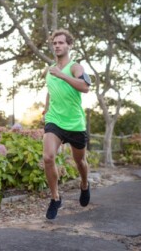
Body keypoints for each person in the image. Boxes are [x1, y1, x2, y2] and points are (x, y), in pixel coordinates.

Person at [42, 29, 91, 220]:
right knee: (48, 157)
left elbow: (85, 87)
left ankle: (85, 184)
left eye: (61, 43)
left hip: (75, 123)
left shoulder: (75, 67)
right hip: (54, 120)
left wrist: (61, 75)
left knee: (80, 161)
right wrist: (46, 111)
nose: (57, 46)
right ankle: (55, 198)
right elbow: (50, 91)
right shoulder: (50, 69)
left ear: (69, 45)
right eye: (55, 43)